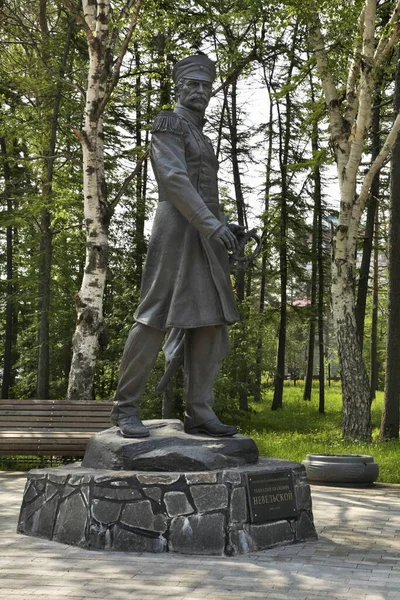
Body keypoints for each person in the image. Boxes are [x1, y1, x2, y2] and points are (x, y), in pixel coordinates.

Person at [110, 54, 243, 438]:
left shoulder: (201, 133)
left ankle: (199, 411)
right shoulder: (167, 123)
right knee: (153, 316)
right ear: (179, 86)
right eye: (193, 84)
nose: (200, 91)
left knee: (210, 321)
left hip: (207, 233)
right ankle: (125, 409)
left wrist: (223, 226)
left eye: (206, 85)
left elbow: (202, 187)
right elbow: (173, 179)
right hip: (176, 230)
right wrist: (210, 224)